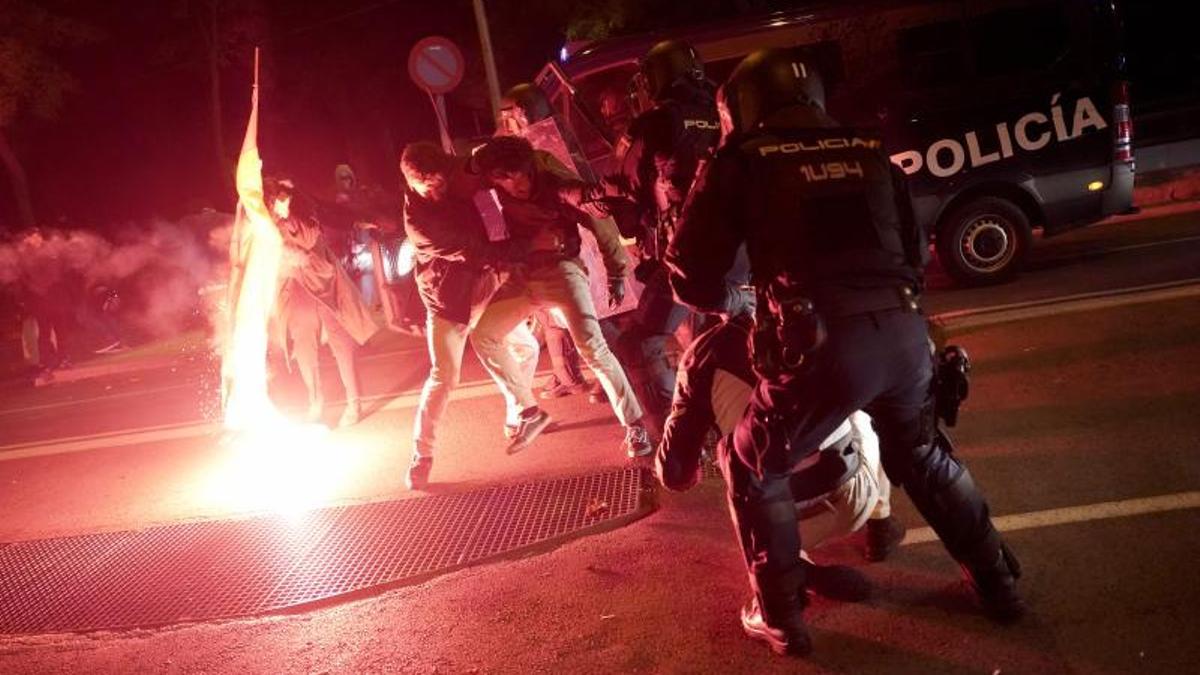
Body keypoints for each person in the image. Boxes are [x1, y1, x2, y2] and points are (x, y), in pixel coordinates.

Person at [665, 48, 1025, 657]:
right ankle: (999, 583)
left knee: (754, 468)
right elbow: (913, 254)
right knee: (926, 457)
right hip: (905, 331)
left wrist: (746, 294)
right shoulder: (869, 150)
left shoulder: (742, 161)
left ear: (744, 105)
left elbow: (690, 276)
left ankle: (779, 616)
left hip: (818, 345)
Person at [655, 286, 907, 572]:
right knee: (862, 409)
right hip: (852, 498)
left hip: (774, 525)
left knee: (735, 461)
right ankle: (879, 522)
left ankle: (781, 574)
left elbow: (674, 473)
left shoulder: (697, 358)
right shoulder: (817, 317)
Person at [470, 136, 652, 458]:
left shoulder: (553, 181)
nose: (515, 185)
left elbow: (595, 216)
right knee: (484, 334)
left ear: (529, 168)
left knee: (593, 349)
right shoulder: (489, 175)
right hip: (523, 274)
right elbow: (470, 165)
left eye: (519, 175)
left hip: (561, 270)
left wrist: (615, 271)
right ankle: (529, 412)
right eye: (504, 179)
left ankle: (635, 425)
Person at [401, 141, 550, 489]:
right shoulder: (420, 225)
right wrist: (530, 246)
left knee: (526, 348)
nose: (438, 191)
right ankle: (422, 455)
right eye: (429, 187)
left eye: (441, 183)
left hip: (485, 286)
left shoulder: (452, 178)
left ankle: (519, 417)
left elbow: (475, 166)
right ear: (411, 183)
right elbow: (477, 250)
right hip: (449, 302)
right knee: (444, 377)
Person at [607, 39, 721, 436]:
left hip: (682, 248)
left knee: (638, 344)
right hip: (736, 248)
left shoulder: (655, 122)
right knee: (713, 339)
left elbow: (629, 184)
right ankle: (723, 417)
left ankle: (677, 439)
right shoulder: (722, 108)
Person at [264, 177, 378, 427]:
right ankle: (316, 403)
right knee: (304, 350)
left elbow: (308, 238)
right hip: (295, 290)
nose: (270, 203)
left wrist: (286, 217)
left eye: (272, 198)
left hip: (323, 283)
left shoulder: (299, 205)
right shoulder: (263, 218)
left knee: (341, 343)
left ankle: (354, 402)